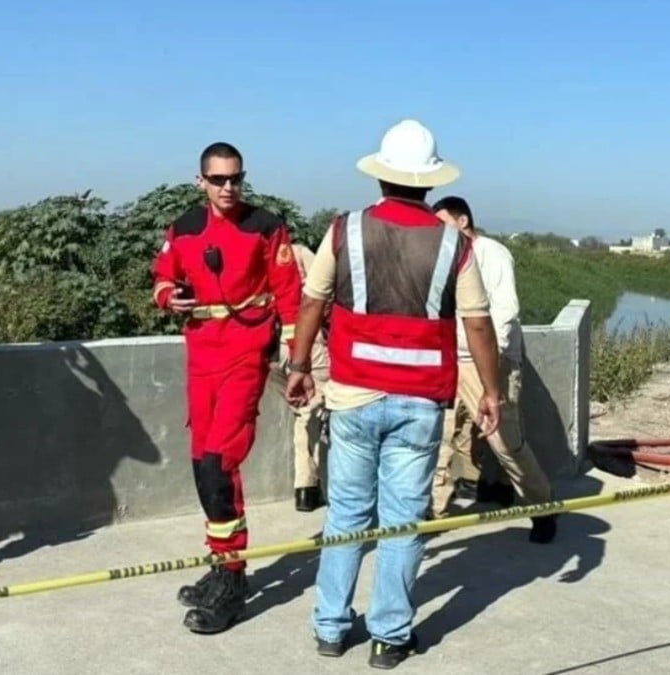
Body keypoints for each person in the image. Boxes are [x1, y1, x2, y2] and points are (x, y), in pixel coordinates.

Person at [285, 119, 502, 669]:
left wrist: (299, 366)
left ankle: (331, 628)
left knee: (347, 516)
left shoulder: (345, 230)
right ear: (430, 181)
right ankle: (389, 636)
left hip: (353, 394)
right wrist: (492, 391)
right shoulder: (455, 243)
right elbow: (478, 323)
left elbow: (312, 301)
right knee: (403, 521)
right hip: (421, 401)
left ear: (381, 176)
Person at [151, 141, 302, 634]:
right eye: (218, 179)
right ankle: (221, 563)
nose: (228, 187)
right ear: (201, 181)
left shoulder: (265, 226)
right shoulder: (184, 228)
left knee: (221, 462)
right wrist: (169, 296)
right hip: (202, 355)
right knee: (202, 465)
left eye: (235, 178)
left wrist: (296, 361)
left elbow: (290, 294)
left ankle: (233, 582)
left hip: (245, 352)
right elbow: (163, 276)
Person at [427, 196, 557, 543]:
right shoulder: (443, 256)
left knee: (504, 441)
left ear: (463, 221)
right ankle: (432, 512)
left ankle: (542, 506)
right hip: (449, 360)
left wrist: (492, 367)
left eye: (443, 223)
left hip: (486, 362)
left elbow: (504, 310)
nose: (437, 231)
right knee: (438, 436)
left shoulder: (492, 254)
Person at [271, 243, 331, 512]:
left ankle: (305, 488)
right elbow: (323, 292)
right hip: (304, 341)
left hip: (271, 347)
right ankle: (323, 487)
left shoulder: (253, 254)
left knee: (302, 414)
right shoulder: (297, 252)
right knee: (318, 412)